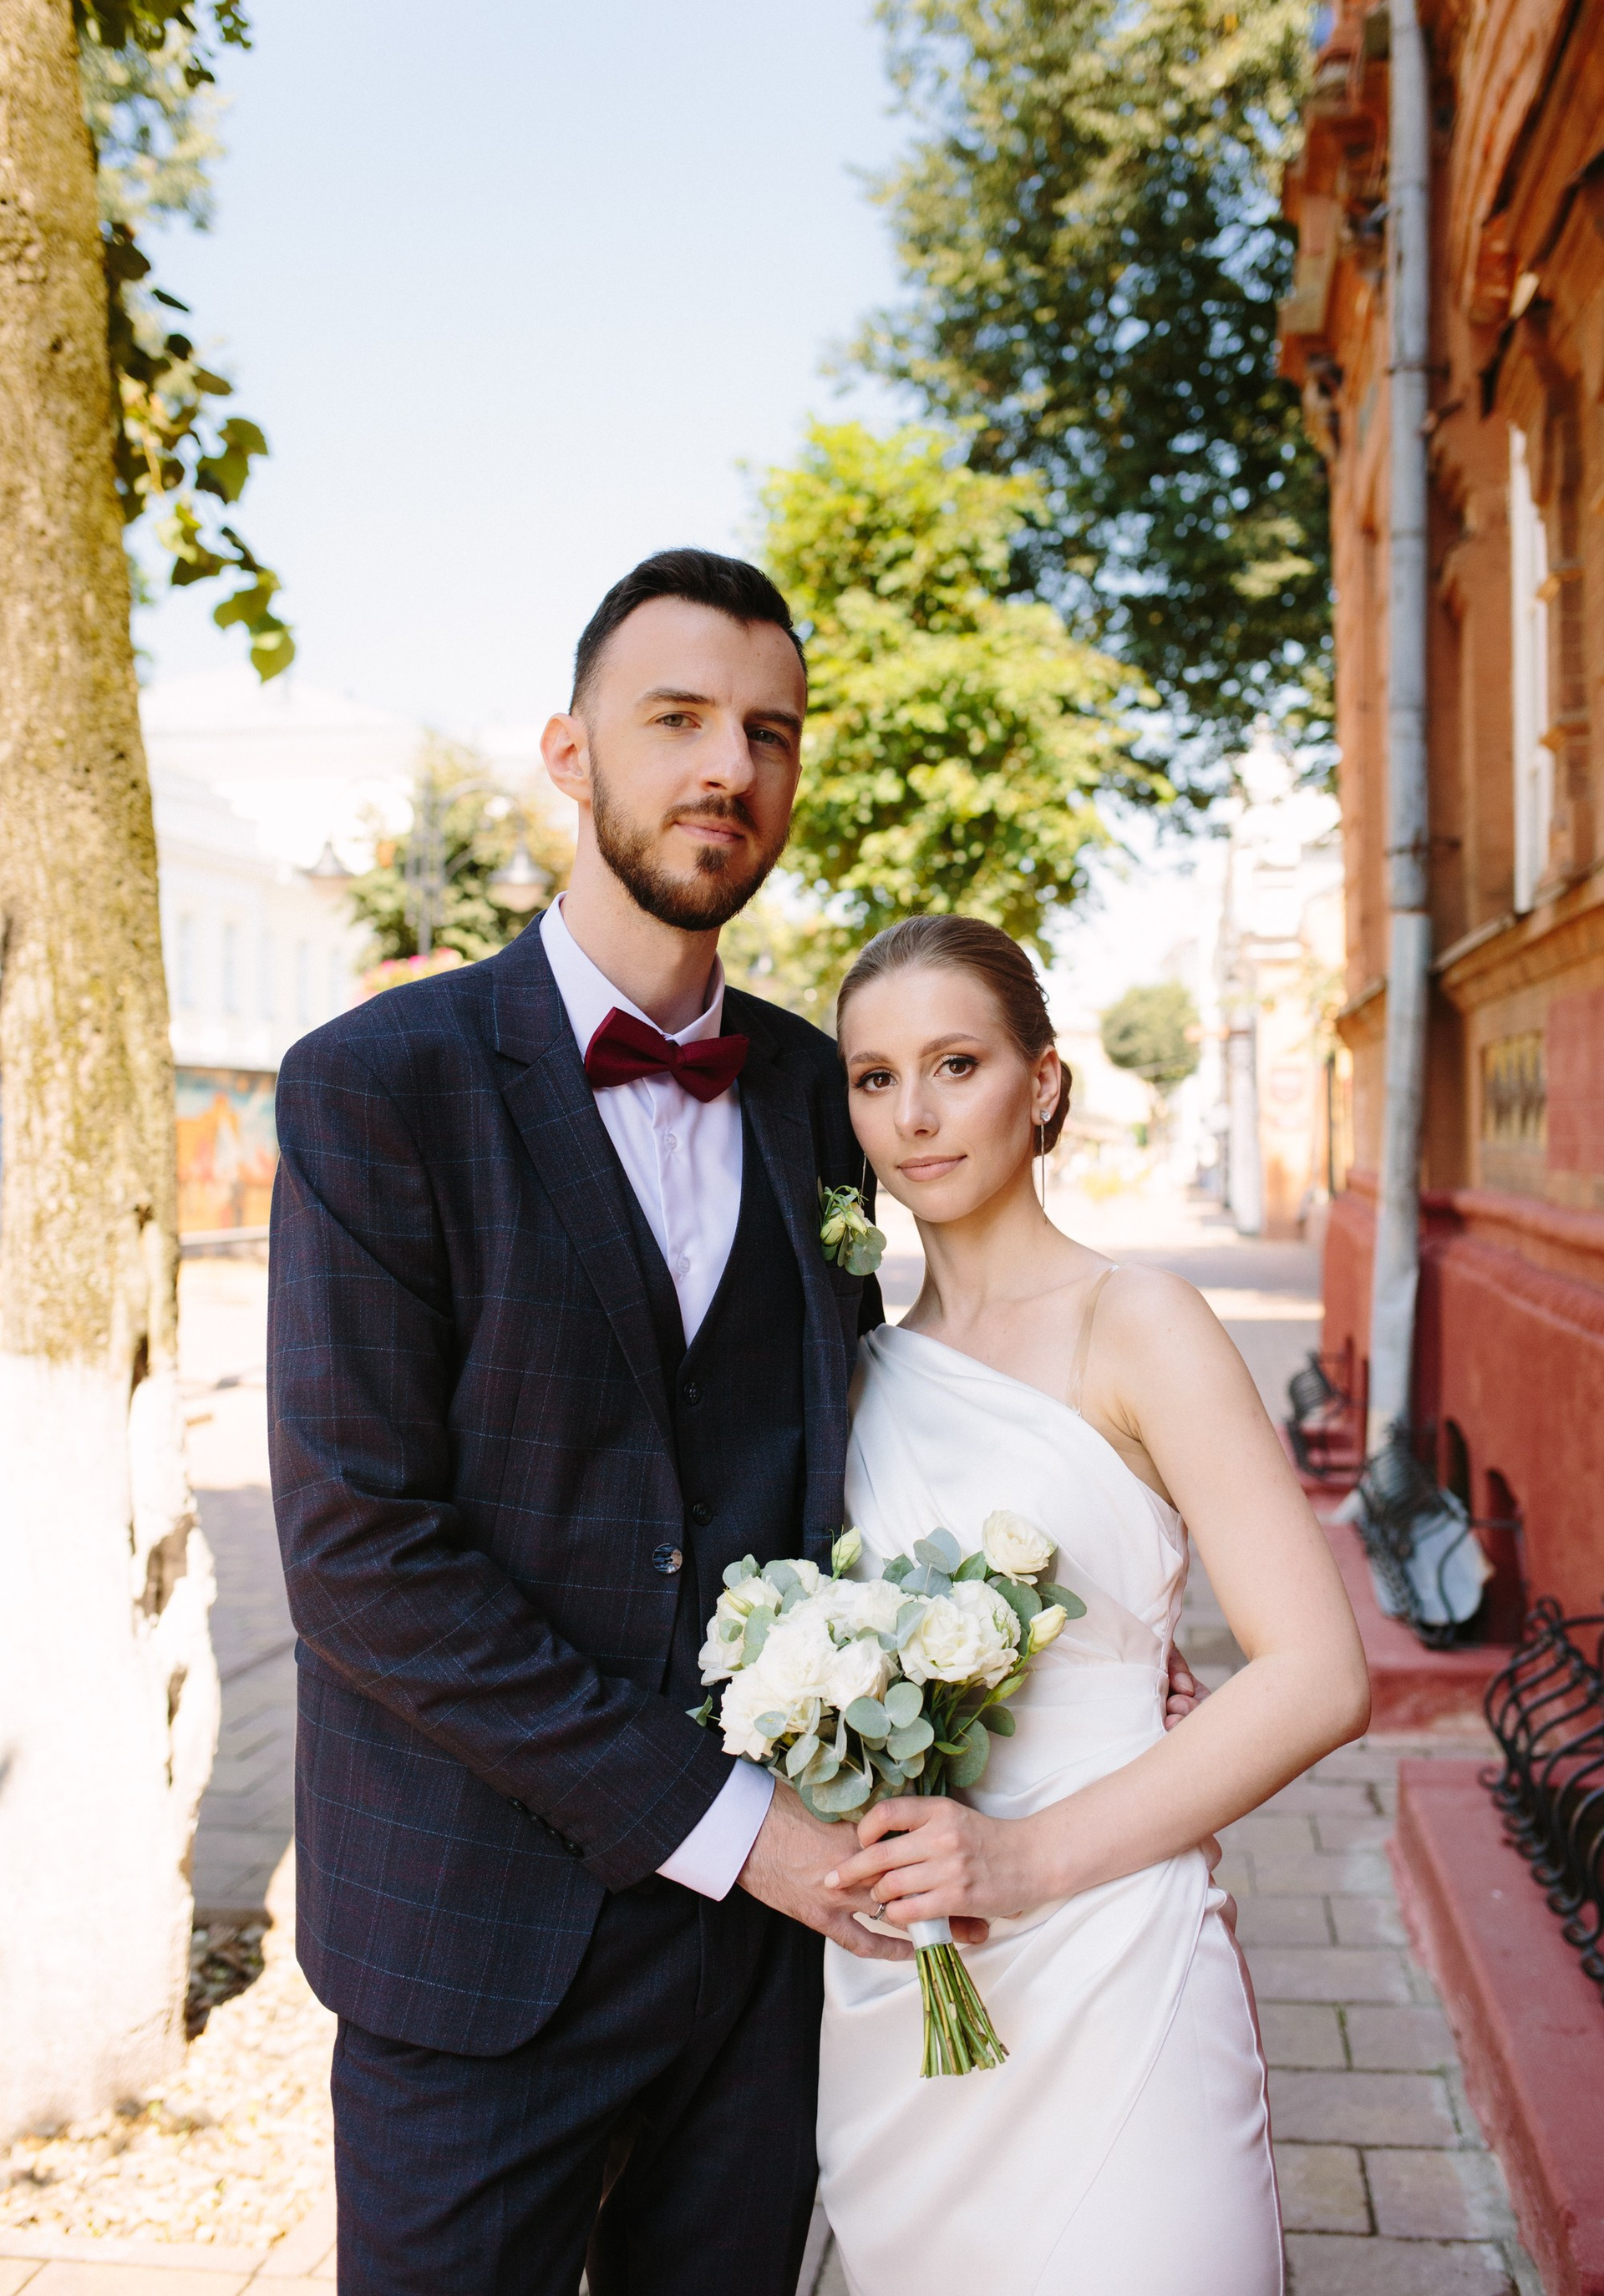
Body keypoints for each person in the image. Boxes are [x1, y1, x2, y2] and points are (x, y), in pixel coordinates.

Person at [268, 550, 1201, 2294]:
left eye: (768, 733)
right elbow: (361, 1559)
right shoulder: (376, 1087)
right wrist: (741, 1832)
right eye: (678, 719)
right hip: (478, 1951)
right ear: (568, 750)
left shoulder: (823, 1097)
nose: (727, 768)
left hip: (769, 1989)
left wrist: (1088, 1619)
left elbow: (901, 1422)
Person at [817, 915, 1370, 2296]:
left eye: (956, 1064)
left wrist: (1024, 1862)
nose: (915, 1115)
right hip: (903, 1995)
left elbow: (1317, 1675)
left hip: (1112, 1948)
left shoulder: (1141, 1322)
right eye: (876, 1078)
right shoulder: (854, 1373)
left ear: (1045, 1081)